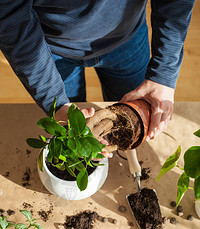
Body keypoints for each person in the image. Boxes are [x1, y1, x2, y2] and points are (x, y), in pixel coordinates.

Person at [0, 1, 195, 143]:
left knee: (133, 122)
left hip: (129, 39)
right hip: (49, 48)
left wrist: (163, 74)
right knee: (72, 128)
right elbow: (10, 17)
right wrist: (57, 101)